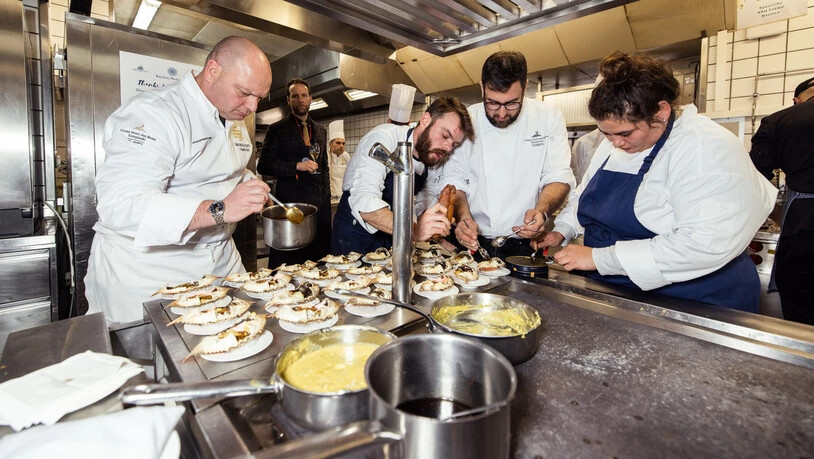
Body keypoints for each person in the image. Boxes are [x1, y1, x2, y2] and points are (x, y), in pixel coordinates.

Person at [534, 51, 777, 312]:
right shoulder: (616, 142)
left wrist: (600, 258)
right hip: (620, 289)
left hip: (695, 299)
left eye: (625, 133)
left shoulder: (705, 147)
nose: (615, 143)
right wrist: (564, 229)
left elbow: (702, 244)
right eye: (606, 133)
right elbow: (585, 195)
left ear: (661, 112)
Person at [85, 37, 273, 324]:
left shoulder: (233, 119)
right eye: (244, 92)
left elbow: (226, 170)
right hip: (152, 270)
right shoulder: (154, 113)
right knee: (157, 351)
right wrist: (221, 209)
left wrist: (250, 185)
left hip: (221, 260)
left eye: (259, 97)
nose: (252, 106)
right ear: (213, 71)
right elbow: (121, 205)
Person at [447, 51, 575, 258]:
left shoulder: (548, 117)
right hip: (473, 241)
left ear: (525, 87)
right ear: (482, 88)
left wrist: (542, 211)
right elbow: (454, 180)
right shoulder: (468, 118)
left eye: (512, 103)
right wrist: (463, 218)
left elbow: (558, 175)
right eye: (492, 103)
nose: (501, 113)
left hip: (526, 243)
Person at [332, 97, 474, 254]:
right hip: (354, 236)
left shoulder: (433, 157)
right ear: (425, 120)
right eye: (445, 136)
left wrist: (437, 233)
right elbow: (365, 202)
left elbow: (423, 206)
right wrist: (414, 230)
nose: (447, 148)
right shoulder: (384, 138)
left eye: (454, 144)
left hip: (392, 235)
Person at [749, 75, 814, 324]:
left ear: (797, 101)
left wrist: (773, 216)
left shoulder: (780, 121)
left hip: (804, 227)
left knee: (802, 309)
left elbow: (756, 180)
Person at [258, 78, 330, 264]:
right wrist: (296, 166)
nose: (300, 100)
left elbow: (324, 167)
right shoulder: (277, 129)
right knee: (289, 260)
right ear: (288, 100)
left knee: (319, 260)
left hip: (318, 205)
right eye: (295, 96)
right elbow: (264, 165)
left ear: (310, 98)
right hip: (290, 204)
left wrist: (325, 194)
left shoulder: (321, 130)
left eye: (304, 95)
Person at [327, 120, 350, 205]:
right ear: (330, 144)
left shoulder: (346, 156)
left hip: (344, 198)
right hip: (330, 199)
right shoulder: (325, 156)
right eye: (338, 143)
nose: (341, 146)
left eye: (343, 143)